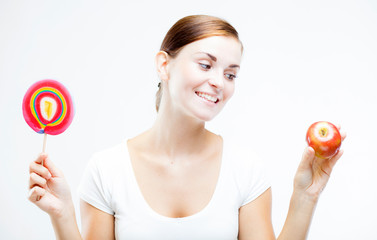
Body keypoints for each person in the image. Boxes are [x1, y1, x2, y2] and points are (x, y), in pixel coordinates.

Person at [28, 15, 346, 240]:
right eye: (206, 65)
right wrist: (63, 214)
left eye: (231, 74)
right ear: (164, 65)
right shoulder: (107, 169)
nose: (218, 82)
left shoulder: (245, 169)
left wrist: (306, 196)